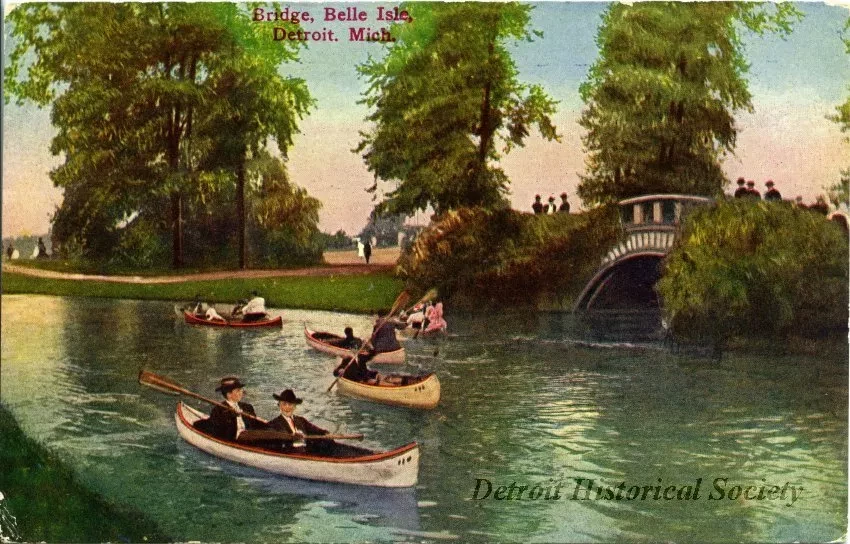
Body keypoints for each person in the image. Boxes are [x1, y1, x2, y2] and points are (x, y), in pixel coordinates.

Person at [266, 389, 331, 452]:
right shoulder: (273, 424)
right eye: (284, 404)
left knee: (328, 442)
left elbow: (317, 430)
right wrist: (292, 440)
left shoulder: (301, 420)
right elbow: (273, 444)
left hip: (307, 452)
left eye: (290, 404)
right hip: (291, 454)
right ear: (279, 406)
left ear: (294, 407)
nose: (287, 407)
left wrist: (327, 433)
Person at [201, 377, 263, 442]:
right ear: (229, 394)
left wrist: (262, 422)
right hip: (235, 441)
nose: (241, 392)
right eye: (238, 390)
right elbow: (218, 431)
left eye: (241, 390)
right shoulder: (218, 410)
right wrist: (233, 415)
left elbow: (255, 425)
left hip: (251, 438)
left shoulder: (247, 407)